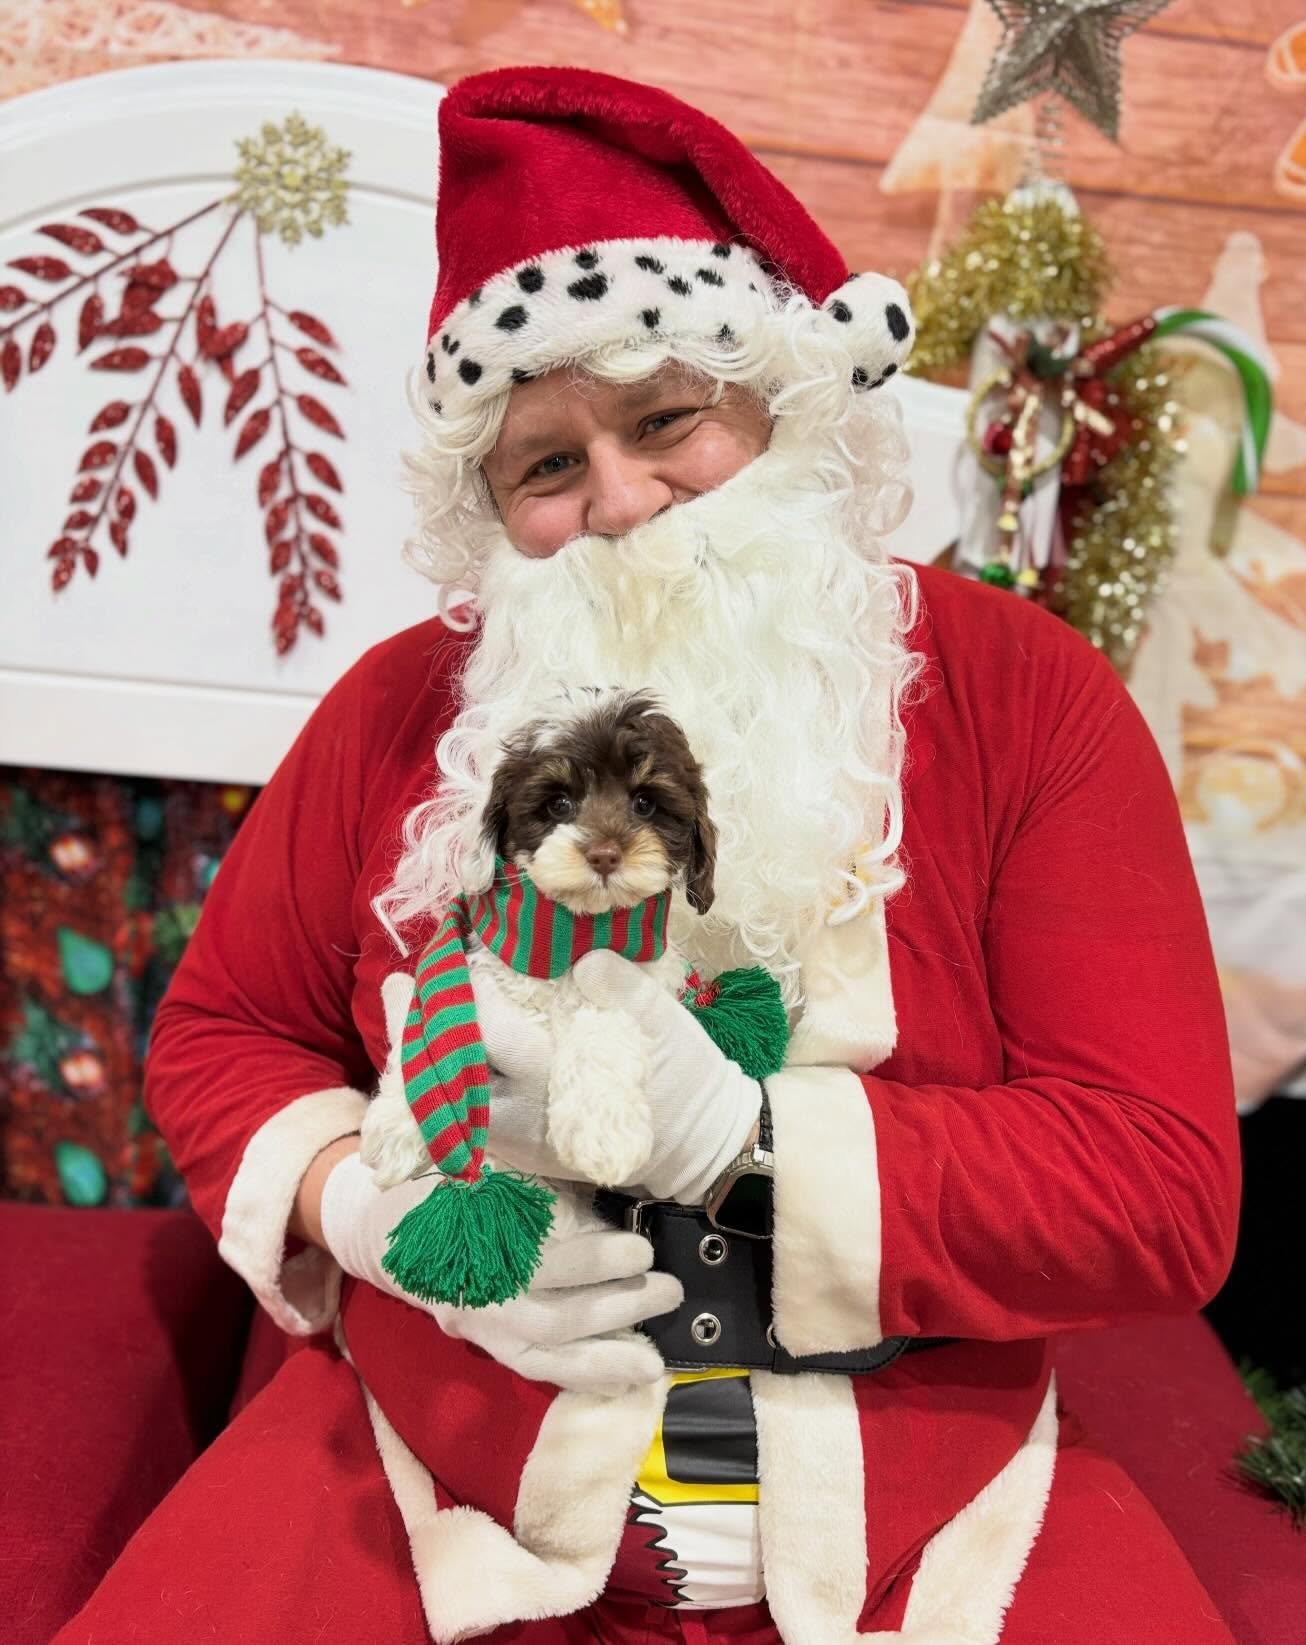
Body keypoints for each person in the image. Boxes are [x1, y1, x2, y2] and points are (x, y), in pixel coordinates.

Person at [54, 66, 1242, 1645]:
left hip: (927, 1528)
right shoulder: (399, 711)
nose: (619, 502)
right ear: (491, 507)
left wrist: (745, 1136)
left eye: (666, 418)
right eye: (546, 465)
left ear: (782, 406)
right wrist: (367, 1219)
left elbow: (1158, 1185)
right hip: (438, 1489)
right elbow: (223, 1033)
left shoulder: (1028, 700)